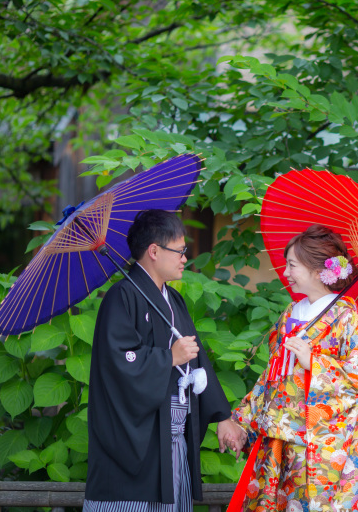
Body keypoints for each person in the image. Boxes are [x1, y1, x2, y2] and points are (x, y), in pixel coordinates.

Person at [84, 209, 246, 512]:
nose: (185, 258)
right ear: (154, 251)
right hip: (136, 442)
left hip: (173, 438)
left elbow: (197, 360)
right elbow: (118, 363)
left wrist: (223, 418)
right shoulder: (121, 297)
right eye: (180, 250)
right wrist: (168, 357)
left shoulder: (174, 301)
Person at [228, 224, 358, 512]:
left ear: (316, 269)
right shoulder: (290, 314)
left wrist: (316, 363)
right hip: (278, 440)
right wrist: (241, 421)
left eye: (292, 265)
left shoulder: (345, 317)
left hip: (321, 448)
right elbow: (272, 377)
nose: (285, 273)